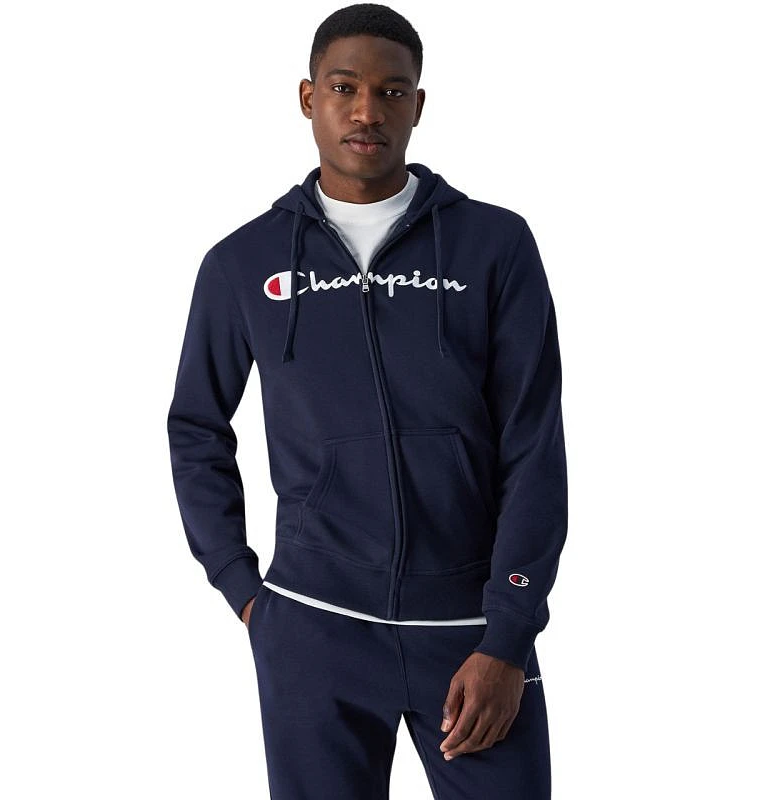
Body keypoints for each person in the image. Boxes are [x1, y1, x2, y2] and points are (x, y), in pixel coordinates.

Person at [166, 4, 568, 798]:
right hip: (314, 627)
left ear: (418, 105)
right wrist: (243, 589)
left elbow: (534, 443)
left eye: (391, 91)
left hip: (470, 631)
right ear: (308, 97)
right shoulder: (243, 262)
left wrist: (508, 635)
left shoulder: (495, 245)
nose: (366, 111)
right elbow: (196, 428)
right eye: (345, 87)